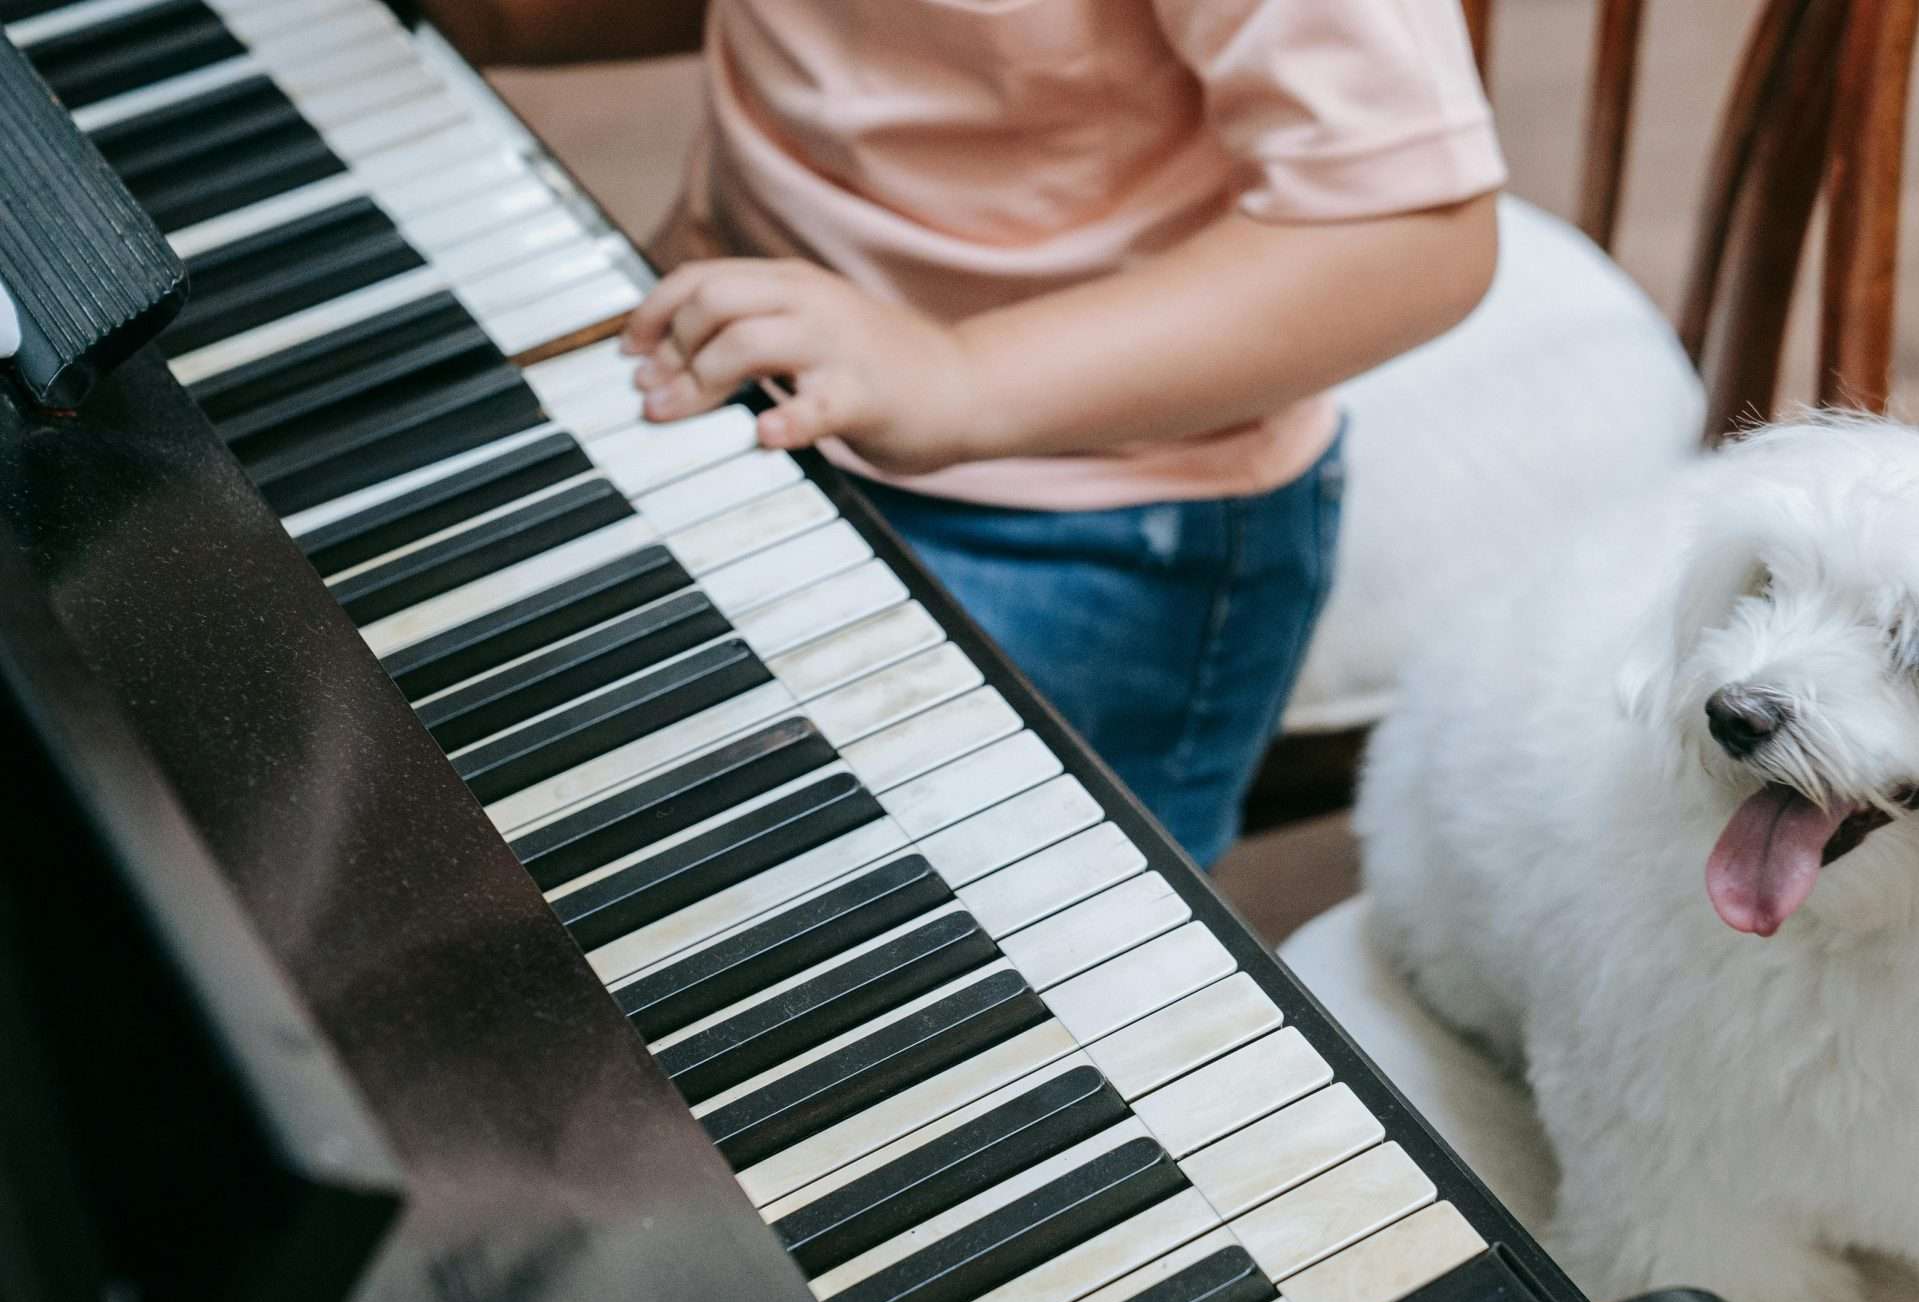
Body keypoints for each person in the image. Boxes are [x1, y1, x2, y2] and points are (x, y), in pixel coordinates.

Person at [432, 0, 1506, 867]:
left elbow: (1413, 235)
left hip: (1082, 507)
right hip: (741, 351)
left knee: (951, 945)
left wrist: (958, 375)